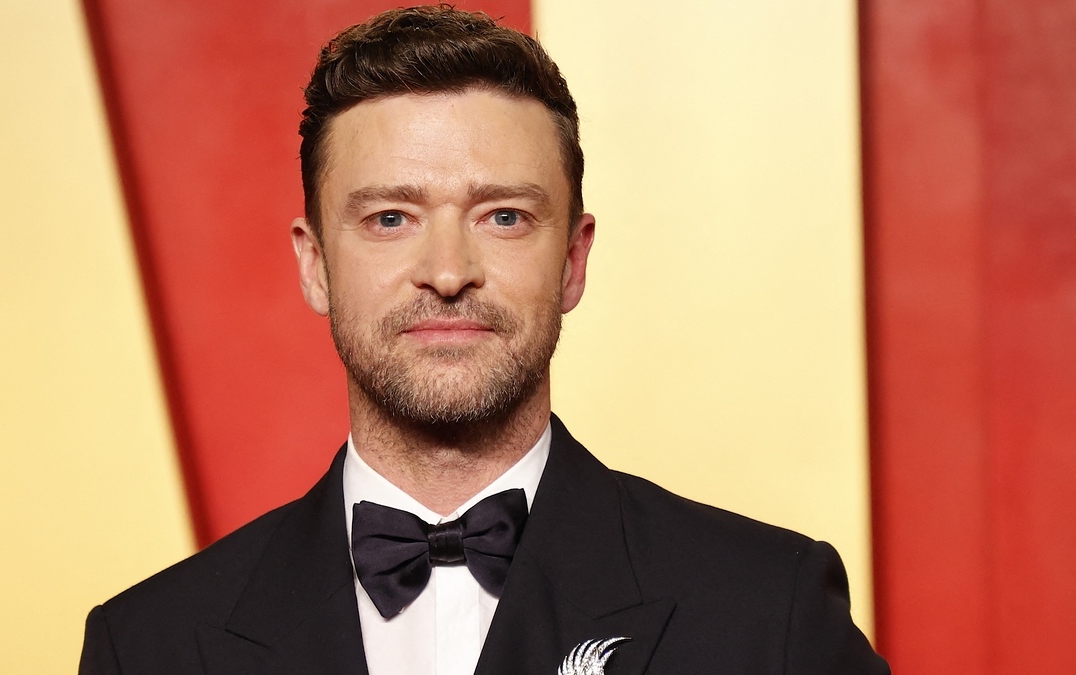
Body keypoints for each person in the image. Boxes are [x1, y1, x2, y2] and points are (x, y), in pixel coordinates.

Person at [79, 6, 889, 674]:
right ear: (316, 264)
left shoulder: (765, 614)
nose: (446, 270)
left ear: (573, 260)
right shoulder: (148, 645)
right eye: (390, 218)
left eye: (503, 215)